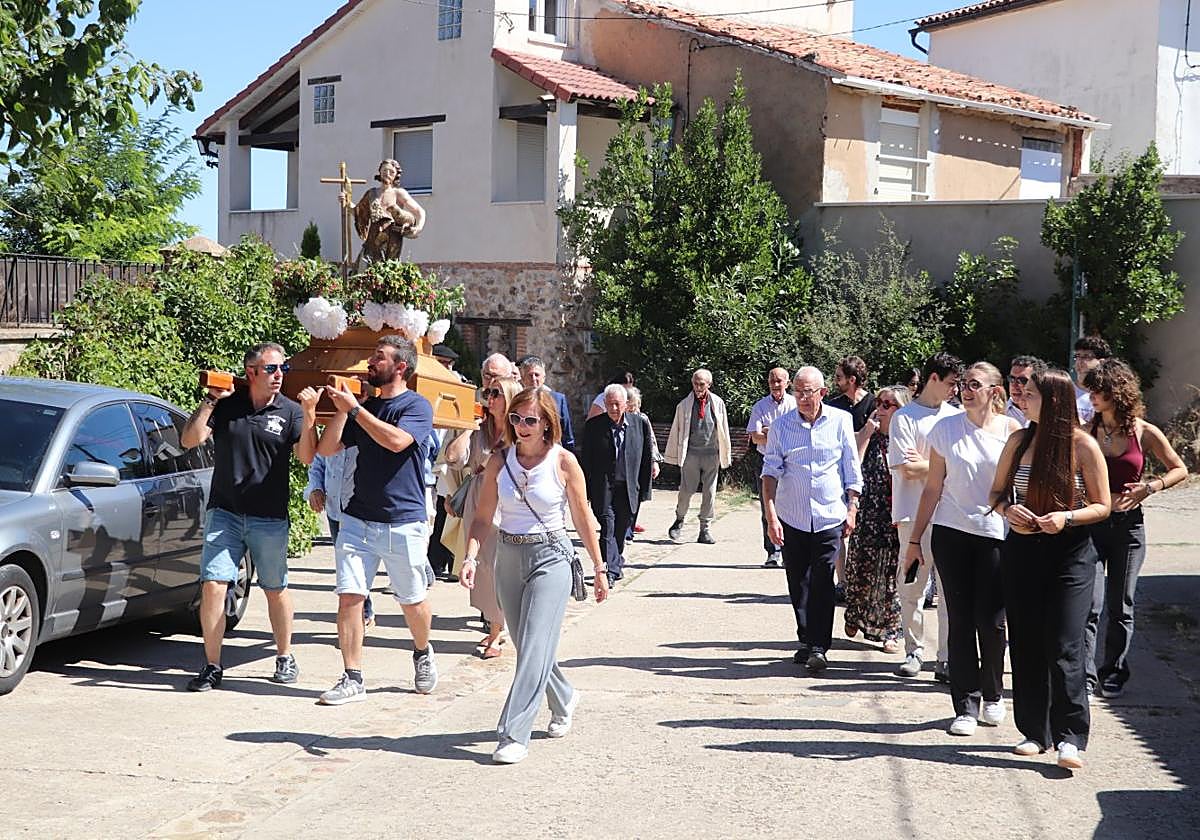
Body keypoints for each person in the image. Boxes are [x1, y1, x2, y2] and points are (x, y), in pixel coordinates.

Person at [462, 387, 608, 764]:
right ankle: (564, 696)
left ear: (547, 423)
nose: (522, 426)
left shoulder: (564, 462)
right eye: (516, 418)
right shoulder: (499, 461)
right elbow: (482, 517)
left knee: (535, 644)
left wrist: (599, 567)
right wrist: (471, 557)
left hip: (551, 557)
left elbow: (582, 518)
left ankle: (514, 733)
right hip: (508, 556)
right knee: (529, 646)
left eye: (530, 420)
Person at [180, 342, 320, 691]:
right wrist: (210, 400)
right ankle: (212, 665)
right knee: (214, 585)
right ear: (251, 372)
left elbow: (306, 457)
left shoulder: (290, 411)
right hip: (224, 512)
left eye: (283, 369)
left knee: (275, 588)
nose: (279, 375)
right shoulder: (229, 406)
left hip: (268, 517)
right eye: (271, 369)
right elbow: (189, 440)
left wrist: (310, 414)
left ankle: (284, 655)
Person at [990, 368, 1111, 770]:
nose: (1021, 397)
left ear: (1054, 400)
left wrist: (1067, 517)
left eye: (1031, 393)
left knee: (1064, 644)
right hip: (1022, 550)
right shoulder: (1019, 440)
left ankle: (1070, 737)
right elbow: (996, 493)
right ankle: (1034, 732)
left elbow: (1103, 505)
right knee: (1025, 641)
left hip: (1071, 553)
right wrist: (1009, 510)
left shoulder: (1083, 445)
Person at [315, 336, 439, 704]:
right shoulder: (363, 408)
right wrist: (342, 410)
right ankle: (352, 677)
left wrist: (355, 410)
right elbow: (326, 449)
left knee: (412, 600)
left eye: (379, 358)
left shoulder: (416, 406)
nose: (370, 362)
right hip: (357, 518)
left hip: (403, 520)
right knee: (349, 597)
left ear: (400, 367)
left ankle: (422, 651)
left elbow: (397, 441)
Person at [904, 363, 1022, 736]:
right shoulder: (945, 429)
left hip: (996, 534)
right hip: (951, 532)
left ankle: (993, 694)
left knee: (992, 621)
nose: (966, 391)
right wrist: (914, 541)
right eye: (963, 384)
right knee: (960, 620)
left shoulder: (1012, 431)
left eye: (975, 385)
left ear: (994, 391)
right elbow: (933, 488)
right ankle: (965, 706)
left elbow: (1019, 486)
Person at [1083, 358, 1187, 698]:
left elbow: (1179, 469)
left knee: (1121, 604)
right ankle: (1085, 676)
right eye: (1090, 390)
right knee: (1090, 604)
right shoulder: (1085, 431)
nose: (1092, 396)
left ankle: (1113, 672)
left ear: (1117, 392)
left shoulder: (1143, 431)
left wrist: (1150, 487)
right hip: (1091, 525)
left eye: (1098, 390)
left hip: (1128, 528)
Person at [762, 367, 863, 673]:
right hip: (792, 516)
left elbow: (851, 468)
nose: (803, 398)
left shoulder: (840, 421)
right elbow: (769, 473)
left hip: (829, 515)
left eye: (809, 392)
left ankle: (819, 646)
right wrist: (771, 517)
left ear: (822, 393)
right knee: (798, 581)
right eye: (798, 392)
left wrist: (852, 507)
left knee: (822, 579)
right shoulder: (781, 426)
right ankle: (806, 639)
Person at [888, 352, 962, 681]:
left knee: (949, 590)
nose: (955, 390)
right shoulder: (905, 418)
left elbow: (957, 467)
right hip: (911, 515)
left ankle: (945, 657)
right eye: (950, 383)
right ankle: (914, 650)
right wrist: (942, 464)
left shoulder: (957, 417)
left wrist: (927, 464)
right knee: (911, 586)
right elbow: (907, 468)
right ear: (933, 378)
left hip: (949, 515)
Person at [445, 377, 521, 658]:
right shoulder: (480, 431)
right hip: (478, 500)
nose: (490, 397)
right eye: (488, 392)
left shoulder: (519, 431)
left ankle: (497, 631)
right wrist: (469, 426)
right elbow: (453, 458)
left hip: (506, 501)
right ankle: (495, 624)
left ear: (510, 397)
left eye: (496, 393)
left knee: (498, 565)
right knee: (482, 565)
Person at [843, 385, 907, 653]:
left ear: (901, 410)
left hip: (896, 516)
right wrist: (866, 434)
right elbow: (852, 466)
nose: (880, 409)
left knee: (892, 575)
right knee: (862, 571)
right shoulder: (869, 436)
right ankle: (855, 616)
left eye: (887, 405)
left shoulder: (907, 439)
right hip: (868, 514)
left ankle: (891, 631)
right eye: (878, 403)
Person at [580, 384, 654, 587]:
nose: (613, 408)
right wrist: (584, 491)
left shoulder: (639, 424)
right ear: (604, 404)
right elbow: (586, 460)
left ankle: (616, 562)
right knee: (608, 526)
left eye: (617, 404)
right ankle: (609, 571)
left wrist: (645, 490)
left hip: (628, 487)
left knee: (621, 528)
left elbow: (646, 458)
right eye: (609, 404)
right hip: (602, 487)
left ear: (626, 404)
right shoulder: (594, 426)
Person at [664, 368, 732, 544]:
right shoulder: (684, 405)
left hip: (711, 455)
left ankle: (705, 529)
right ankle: (679, 520)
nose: (698, 387)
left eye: (701, 384)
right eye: (695, 383)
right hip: (691, 455)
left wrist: (725, 453)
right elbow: (676, 430)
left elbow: (723, 429)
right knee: (686, 491)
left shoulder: (718, 403)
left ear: (709, 384)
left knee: (709, 493)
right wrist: (673, 456)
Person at [747, 367, 797, 567]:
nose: (775, 385)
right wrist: (779, 432)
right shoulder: (760, 406)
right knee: (767, 506)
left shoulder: (795, 404)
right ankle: (772, 552)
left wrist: (771, 431)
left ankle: (790, 551)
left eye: (779, 381)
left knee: (791, 507)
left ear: (787, 383)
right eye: (772, 381)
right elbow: (756, 437)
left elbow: (798, 433)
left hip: (791, 461)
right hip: (765, 460)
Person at [345, 158, 425, 269]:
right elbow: (358, 212)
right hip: (372, 241)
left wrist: (418, 228)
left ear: (396, 175)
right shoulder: (371, 194)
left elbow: (419, 211)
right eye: (384, 170)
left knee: (388, 271)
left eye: (391, 172)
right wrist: (346, 202)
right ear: (380, 171)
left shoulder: (398, 193)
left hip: (391, 241)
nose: (387, 174)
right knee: (362, 270)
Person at [624, 385, 661, 538]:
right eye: (631, 406)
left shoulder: (642, 418)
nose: (635, 409)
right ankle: (624, 530)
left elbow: (651, 441)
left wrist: (654, 462)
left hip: (640, 463)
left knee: (637, 495)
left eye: (636, 405)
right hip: (624, 463)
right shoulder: (619, 418)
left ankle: (630, 528)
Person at [519, 355, 576, 452]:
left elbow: (566, 435)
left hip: (552, 452)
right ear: (523, 379)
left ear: (544, 378)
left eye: (537, 375)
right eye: (530, 375)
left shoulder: (558, 400)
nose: (533, 378)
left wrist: (569, 454)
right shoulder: (517, 401)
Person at [826, 355, 876, 431]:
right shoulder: (834, 406)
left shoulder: (874, 404)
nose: (835, 381)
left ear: (852, 380)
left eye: (838, 377)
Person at [1072, 336, 1111, 424]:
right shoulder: (1066, 390)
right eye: (1077, 356)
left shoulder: (1109, 396)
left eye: (1086, 356)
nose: (1079, 361)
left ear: (1101, 362)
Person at [1006, 355, 1047, 428]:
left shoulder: (1047, 414)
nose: (1014, 385)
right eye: (1011, 379)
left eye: (1022, 380)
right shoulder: (997, 413)